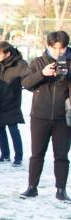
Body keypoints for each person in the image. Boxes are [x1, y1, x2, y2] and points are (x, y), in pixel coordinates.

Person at [20, 31, 71, 201]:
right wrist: (43, 74)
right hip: (40, 115)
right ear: (48, 46)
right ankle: (32, 187)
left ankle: (61, 190)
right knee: (37, 153)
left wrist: (67, 75)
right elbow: (26, 83)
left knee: (62, 155)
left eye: (61, 48)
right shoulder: (38, 62)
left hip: (64, 116)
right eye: (54, 48)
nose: (58, 52)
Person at [0, 41, 28, 166]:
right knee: (0, 129)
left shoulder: (20, 65)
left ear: (7, 53)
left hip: (11, 103)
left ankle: (18, 157)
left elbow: (28, 80)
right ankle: (4, 154)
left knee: (14, 130)